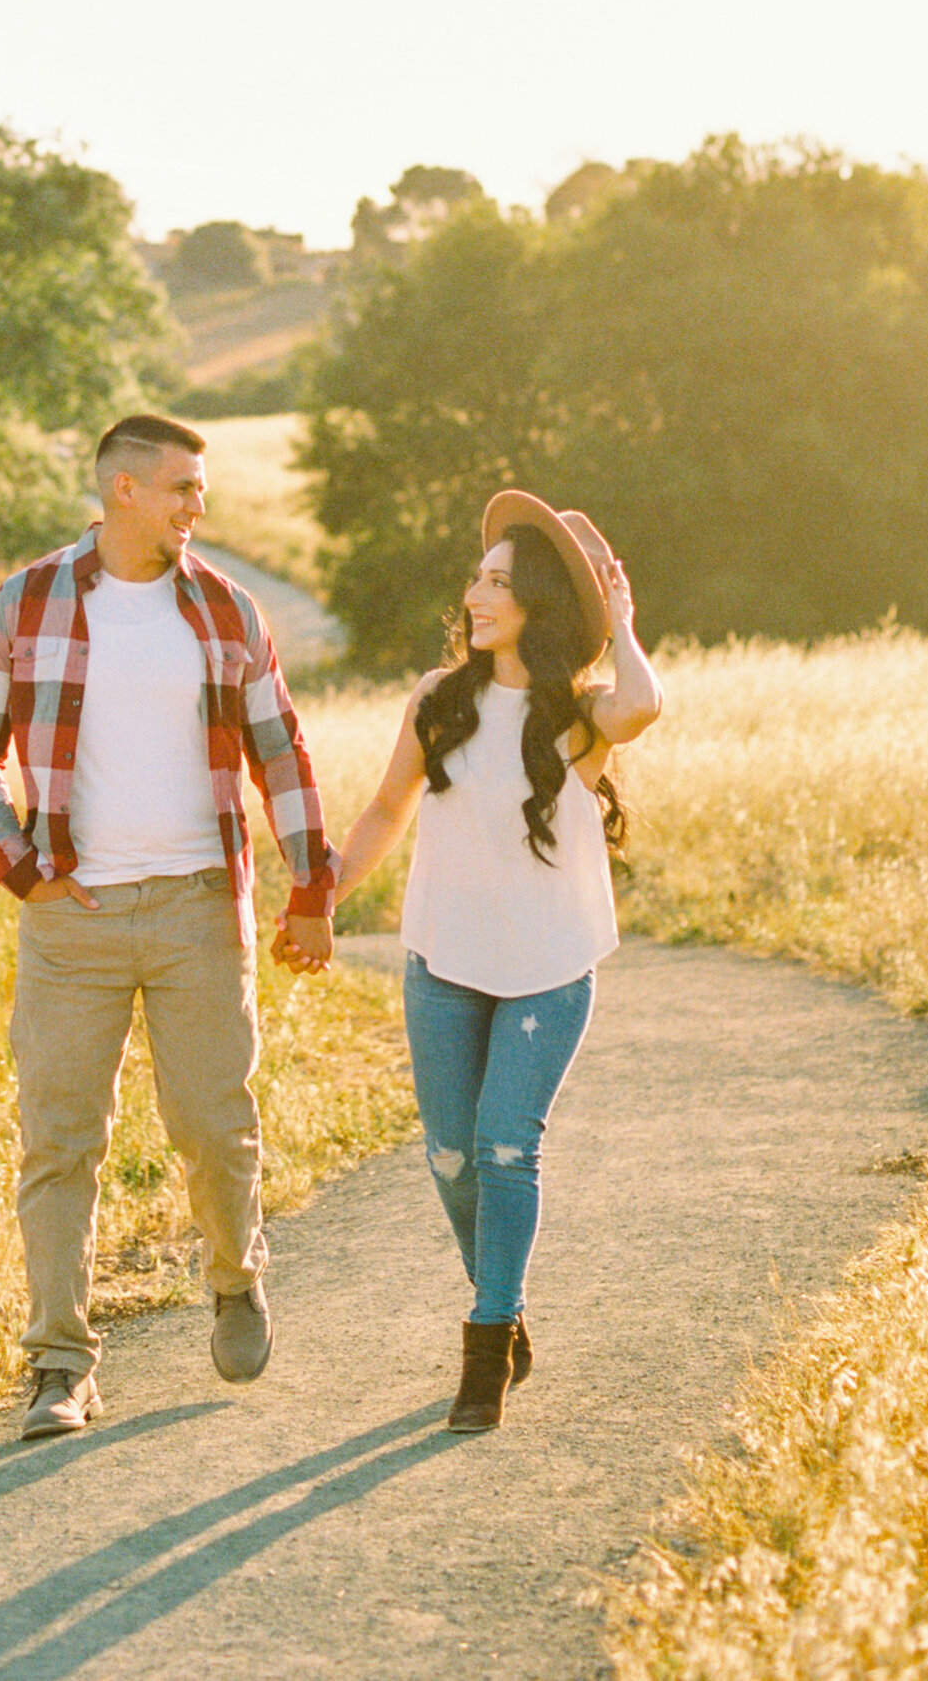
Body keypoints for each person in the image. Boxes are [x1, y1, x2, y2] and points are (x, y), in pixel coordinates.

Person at [0, 412, 337, 1442]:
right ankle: (59, 1367)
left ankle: (235, 1275)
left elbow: (281, 753)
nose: (196, 506)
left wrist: (310, 887)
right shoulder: (26, 603)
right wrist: (16, 868)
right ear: (124, 489)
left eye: (199, 489)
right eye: (181, 488)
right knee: (59, 1140)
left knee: (214, 1120)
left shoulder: (223, 610)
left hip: (197, 908)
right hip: (70, 916)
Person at [328, 488, 662, 1432]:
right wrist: (324, 893)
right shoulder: (438, 702)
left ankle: (484, 1345)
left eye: (500, 583)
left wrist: (623, 618)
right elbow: (387, 809)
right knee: (449, 1157)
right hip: (444, 962)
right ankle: (506, 1303)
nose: (477, 595)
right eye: (477, 578)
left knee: (506, 1146)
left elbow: (646, 701)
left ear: (540, 605)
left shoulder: (581, 713)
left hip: (549, 968)